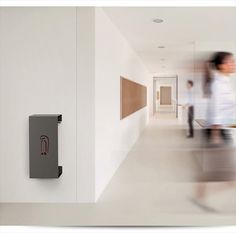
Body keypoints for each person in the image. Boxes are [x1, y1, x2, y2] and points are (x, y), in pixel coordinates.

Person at [192, 51, 236, 212]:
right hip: (216, 132)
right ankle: (199, 197)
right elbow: (216, 110)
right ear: (221, 65)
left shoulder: (223, 81)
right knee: (226, 173)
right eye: (230, 62)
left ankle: (199, 197)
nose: (234, 64)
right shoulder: (218, 84)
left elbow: (226, 110)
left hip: (219, 130)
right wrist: (216, 136)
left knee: (217, 171)